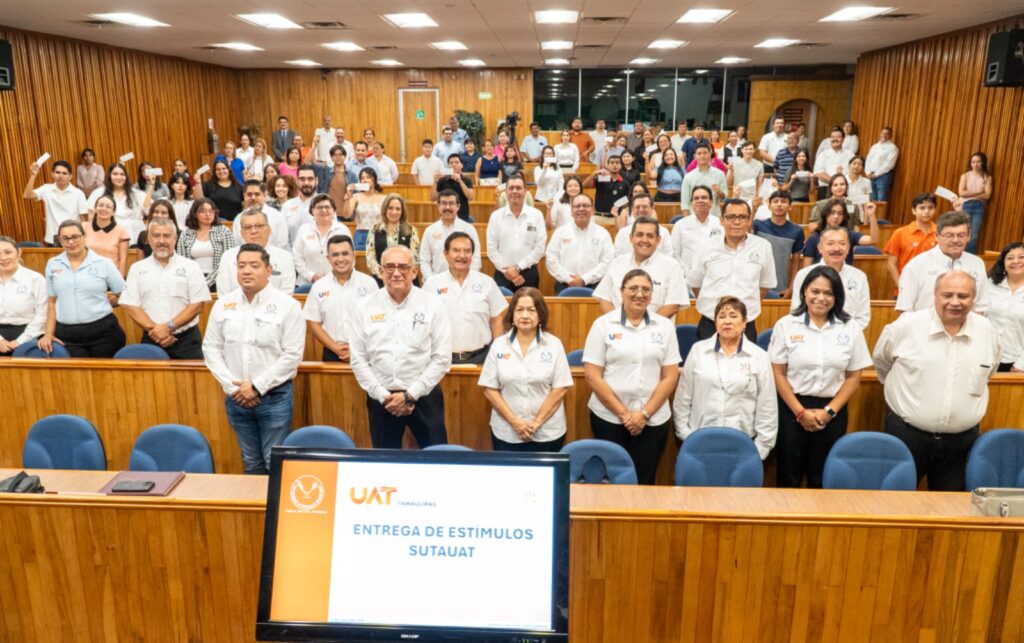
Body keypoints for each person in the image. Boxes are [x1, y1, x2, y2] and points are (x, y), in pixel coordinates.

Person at [873, 270, 1000, 491]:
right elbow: (882, 362)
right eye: (947, 295)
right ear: (935, 295)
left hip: (961, 443)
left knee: (950, 513)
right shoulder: (907, 326)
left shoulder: (987, 331)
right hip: (907, 434)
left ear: (974, 298)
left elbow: (990, 370)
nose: (955, 302)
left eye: (963, 296)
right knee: (895, 505)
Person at [203, 243, 304, 474]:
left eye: (254, 266)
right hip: (236, 397)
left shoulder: (287, 306)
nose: (247, 271)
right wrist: (233, 388)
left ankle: (273, 510)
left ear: (269, 270)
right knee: (251, 463)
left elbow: (292, 356)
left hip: (274, 397)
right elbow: (211, 348)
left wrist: (256, 387)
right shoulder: (223, 305)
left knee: (275, 464)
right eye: (241, 266)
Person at [770, 266, 872, 487]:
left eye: (828, 293)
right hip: (792, 409)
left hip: (832, 411)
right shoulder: (786, 325)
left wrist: (829, 412)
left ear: (837, 297)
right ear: (804, 292)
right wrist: (800, 413)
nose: (821, 298)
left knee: (823, 477)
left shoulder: (850, 327)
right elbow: (778, 373)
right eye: (815, 291)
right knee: (789, 476)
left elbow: (854, 377)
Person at [349, 245, 453, 449]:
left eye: (403, 267)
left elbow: (441, 359)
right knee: (384, 463)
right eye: (390, 267)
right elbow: (358, 359)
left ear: (414, 271)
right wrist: (383, 396)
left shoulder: (433, 305)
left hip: (424, 395)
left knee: (438, 459)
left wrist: (410, 395)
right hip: (381, 398)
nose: (396, 273)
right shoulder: (364, 307)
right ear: (380, 271)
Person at [584, 269, 681, 484]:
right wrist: (625, 414)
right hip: (609, 417)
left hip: (652, 419)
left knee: (644, 480)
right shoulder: (603, 324)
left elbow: (670, 376)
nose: (640, 294)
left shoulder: (664, 326)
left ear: (652, 294)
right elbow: (592, 375)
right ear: (621, 292)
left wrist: (643, 414)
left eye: (646, 289)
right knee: (610, 481)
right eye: (633, 288)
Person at [673, 296, 777, 460]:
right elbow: (682, 398)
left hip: (743, 444)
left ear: (744, 322)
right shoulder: (698, 351)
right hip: (699, 441)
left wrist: (760, 450)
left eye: (733, 316)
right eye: (722, 316)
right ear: (715, 323)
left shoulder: (759, 357)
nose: (727, 321)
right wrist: (686, 436)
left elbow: (767, 406)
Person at [479, 288, 573, 451]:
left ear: (540, 315)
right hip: (507, 433)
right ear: (512, 315)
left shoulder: (554, 344)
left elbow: (560, 389)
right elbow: (490, 389)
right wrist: (515, 423)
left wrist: (536, 424)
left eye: (531, 310)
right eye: (519, 310)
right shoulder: (499, 345)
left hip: (547, 433)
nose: (524, 315)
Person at [120, 218, 211, 359]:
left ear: (175, 238)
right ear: (148, 239)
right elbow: (132, 306)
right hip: (152, 339)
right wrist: (156, 332)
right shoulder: (137, 269)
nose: (161, 241)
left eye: (167, 236)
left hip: (187, 342)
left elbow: (197, 305)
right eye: (156, 236)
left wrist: (168, 327)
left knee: (189, 381)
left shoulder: (191, 267)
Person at [688, 199, 777, 340]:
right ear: (721, 220)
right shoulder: (706, 247)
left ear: (749, 220)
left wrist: (740, 310)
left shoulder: (763, 247)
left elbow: (765, 286)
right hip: (710, 323)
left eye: (742, 217)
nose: (737, 222)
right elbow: (696, 283)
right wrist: (714, 307)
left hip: (746, 325)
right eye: (731, 217)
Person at [37, 220, 126, 357]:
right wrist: (48, 334)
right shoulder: (53, 264)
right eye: (65, 238)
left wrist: (109, 302)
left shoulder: (104, 263)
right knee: (77, 378)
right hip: (68, 335)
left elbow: (123, 294)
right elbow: (51, 302)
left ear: (84, 237)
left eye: (75, 237)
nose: (70, 242)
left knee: (103, 377)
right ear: (60, 241)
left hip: (103, 333)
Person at [424, 232, 507, 365]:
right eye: (456, 250)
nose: (462, 255)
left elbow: (497, 318)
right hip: (441, 359)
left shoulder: (487, 282)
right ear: (445, 254)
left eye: (467, 251)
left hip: (482, 358)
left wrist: (496, 352)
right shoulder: (432, 284)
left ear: (472, 255)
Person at [896, 211, 989, 314]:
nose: (955, 240)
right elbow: (905, 308)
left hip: (967, 328)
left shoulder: (977, 263)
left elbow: (981, 305)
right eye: (949, 235)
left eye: (961, 235)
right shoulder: (916, 265)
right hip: (926, 328)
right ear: (936, 236)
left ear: (969, 236)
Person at [304, 235, 378, 362]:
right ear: (328, 258)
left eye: (345, 253)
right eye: (335, 255)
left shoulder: (369, 284)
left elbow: (377, 320)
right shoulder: (318, 287)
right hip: (331, 353)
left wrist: (356, 350)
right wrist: (335, 348)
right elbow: (313, 323)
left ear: (353, 255)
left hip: (366, 353)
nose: (340, 259)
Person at [596, 215, 687, 317]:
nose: (644, 240)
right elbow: (604, 298)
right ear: (631, 238)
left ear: (658, 240)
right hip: (619, 329)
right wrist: (619, 324)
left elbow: (673, 305)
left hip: (657, 330)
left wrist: (646, 328)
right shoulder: (617, 263)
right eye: (639, 235)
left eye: (650, 236)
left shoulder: (672, 266)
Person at [791, 228, 871, 329]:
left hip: (846, 339)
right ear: (820, 248)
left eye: (842, 243)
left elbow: (863, 317)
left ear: (848, 248)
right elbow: (797, 311)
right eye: (830, 243)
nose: (836, 248)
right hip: (810, 336)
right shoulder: (804, 275)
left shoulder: (859, 277)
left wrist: (845, 336)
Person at [486, 175, 546, 292]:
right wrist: (508, 271)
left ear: (525, 191)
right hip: (502, 273)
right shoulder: (496, 216)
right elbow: (491, 249)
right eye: (511, 188)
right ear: (506, 191)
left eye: (518, 188)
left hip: (528, 274)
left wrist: (518, 268)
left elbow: (539, 248)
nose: (514, 191)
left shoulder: (536, 215)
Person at [546, 193, 615, 292]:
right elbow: (551, 258)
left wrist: (585, 279)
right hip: (564, 285)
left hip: (595, 287)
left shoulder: (603, 234)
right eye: (577, 206)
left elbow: (607, 261)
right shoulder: (560, 232)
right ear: (571, 210)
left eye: (586, 206)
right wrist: (568, 279)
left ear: (592, 210)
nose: (581, 209)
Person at [217, 209, 295, 295]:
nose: (254, 231)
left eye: (259, 226)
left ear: (269, 229)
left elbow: (286, 294)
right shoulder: (228, 257)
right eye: (248, 227)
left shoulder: (285, 257)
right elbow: (224, 295)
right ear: (241, 233)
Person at [418, 190, 482, 280]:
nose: (447, 207)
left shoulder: (469, 230)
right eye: (444, 203)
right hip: (437, 284)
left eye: (451, 203)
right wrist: (431, 280)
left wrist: (468, 281)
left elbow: (476, 260)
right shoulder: (429, 231)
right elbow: (424, 260)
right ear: (438, 206)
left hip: (464, 283)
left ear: (458, 206)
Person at [23, 159, 89, 245]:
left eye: (64, 173)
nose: (60, 175)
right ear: (52, 174)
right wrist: (33, 175)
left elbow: (83, 219)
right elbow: (27, 195)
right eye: (57, 172)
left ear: (70, 176)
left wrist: (84, 239)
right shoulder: (46, 189)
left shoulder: (78, 193)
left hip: (73, 239)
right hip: (52, 238)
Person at [292, 194, 352, 286]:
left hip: (336, 283)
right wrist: (311, 276)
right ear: (312, 210)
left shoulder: (342, 230)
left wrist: (335, 277)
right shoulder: (304, 230)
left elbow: (350, 256)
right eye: (319, 207)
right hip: (306, 283)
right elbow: (297, 256)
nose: (324, 210)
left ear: (334, 210)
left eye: (327, 207)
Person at [884, 193, 938, 295]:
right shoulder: (900, 233)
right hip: (907, 288)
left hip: (934, 290)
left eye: (930, 207)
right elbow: (891, 264)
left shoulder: (941, 233)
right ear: (913, 210)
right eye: (922, 208)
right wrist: (901, 285)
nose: (926, 211)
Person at [0, 236, 47, 355]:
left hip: (29, 334)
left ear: (19, 252)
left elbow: (43, 313)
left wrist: (20, 341)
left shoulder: (36, 279)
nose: (3, 258)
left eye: (8, 252)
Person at [753, 190, 804, 298]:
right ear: (769, 206)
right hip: (755, 285)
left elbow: (795, 262)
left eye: (783, 201)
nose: (779, 204)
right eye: (775, 201)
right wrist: (753, 210)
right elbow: (745, 236)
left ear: (790, 206)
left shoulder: (797, 231)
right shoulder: (758, 225)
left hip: (780, 288)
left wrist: (791, 288)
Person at [176, 198, 236, 289]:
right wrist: (194, 280)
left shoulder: (224, 231)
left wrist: (207, 282)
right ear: (195, 214)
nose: (208, 214)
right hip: (192, 280)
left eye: (211, 211)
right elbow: (182, 261)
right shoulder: (186, 233)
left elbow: (229, 259)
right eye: (203, 211)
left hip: (219, 279)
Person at [802, 199, 880, 266]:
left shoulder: (850, 235)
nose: (836, 216)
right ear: (825, 214)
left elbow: (874, 239)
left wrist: (871, 215)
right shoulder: (813, 238)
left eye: (840, 213)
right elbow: (807, 268)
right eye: (832, 212)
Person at [365, 194, 420, 285]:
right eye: (390, 208)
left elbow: (414, 259)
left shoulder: (411, 230)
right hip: (381, 281)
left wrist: (401, 275)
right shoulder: (374, 230)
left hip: (406, 281)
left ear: (402, 212)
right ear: (385, 209)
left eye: (398, 209)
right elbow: (370, 259)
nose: (394, 212)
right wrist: (385, 275)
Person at [987, 242, 1024, 372]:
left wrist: (1021, 365)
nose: (1016, 261)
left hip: (1016, 363)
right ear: (1003, 263)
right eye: (1010, 258)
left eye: (1021, 257)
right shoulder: (989, 284)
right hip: (985, 356)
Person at [671, 185, 723, 271]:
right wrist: (684, 272)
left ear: (711, 202)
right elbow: (674, 254)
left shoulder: (720, 224)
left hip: (714, 274)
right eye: (696, 198)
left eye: (704, 197)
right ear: (691, 203)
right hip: (687, 276)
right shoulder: (680, 225)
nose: (700, 200)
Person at [231, 180, 290, 250]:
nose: (253, 198)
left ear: (264, 195)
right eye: (249, 194)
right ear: (244, 196)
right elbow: (237, 244)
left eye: (257, 194)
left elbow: (282, 244)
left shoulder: (277, 217)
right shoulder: (238, 219)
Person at [612, 192, 673, 257]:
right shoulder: (623, 233)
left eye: (645, 207)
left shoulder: (663, 232)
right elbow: (616, 258)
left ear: (652, 208)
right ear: (632, 209)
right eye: (637, 207)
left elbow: (669, 257)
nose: (641, 210)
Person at [83, 194, 130, 276]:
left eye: (108, 207)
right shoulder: (83, 227)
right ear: (95, 209)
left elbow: (123, 260)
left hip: (109, 276)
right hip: (85, 274)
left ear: (113, 212)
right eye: (101, 205)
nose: (104, 209)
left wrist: (120, 284)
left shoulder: (121, 231)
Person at [956, 152, 993, 255]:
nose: (975, 164)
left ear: (983, 163)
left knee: (974, 235)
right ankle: (958, 255)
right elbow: (961, 193)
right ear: (970, 163)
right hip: (965, 206)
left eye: (978, 162)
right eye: (973, 162)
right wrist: (980, 192)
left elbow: (987, 195)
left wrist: (970, 194)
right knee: (963, 232)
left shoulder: (987, 177)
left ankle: (969, 259)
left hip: (979, 207)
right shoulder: (965, 176)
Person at [680, 143, 727, 217]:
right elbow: (685, 203)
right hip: (694, 217)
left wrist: (719, 192)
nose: (702, 156)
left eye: (705, 153)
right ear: (695, 156)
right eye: (699, 153)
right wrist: (687, 220)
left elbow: (724, 198)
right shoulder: (688, 176)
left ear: (710, 154)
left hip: (714, 216)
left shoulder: (720, 174)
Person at [313, 145, 356, 212]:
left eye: (340, 154)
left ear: (345, 157)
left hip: (346, 213)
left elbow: (356, 195)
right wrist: (314, 146)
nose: (338, 157)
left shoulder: (352, 175)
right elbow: (307, 163)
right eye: (335, 155)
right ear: (331, 157)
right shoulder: (325, 171)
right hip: (328, 212)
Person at [341, 167, 385, 232]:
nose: (365, 180)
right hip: (361, 235)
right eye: (362, 178)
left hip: (378, 234)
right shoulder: (355, 197)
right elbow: (346, 215)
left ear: (374, 180)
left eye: (368, 177)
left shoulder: (384, 198)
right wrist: (348, 197)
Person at [813, 130, 854, 199]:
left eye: (838, 137)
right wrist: (835, 181)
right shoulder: (823, 154)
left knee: (846, 209)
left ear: (843, 139)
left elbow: (854, 172)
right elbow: (818, 172)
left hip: (845, 191)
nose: (835, 139)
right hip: (826, 189)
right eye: (833, 137)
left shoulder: (850, 154)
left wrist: (841, 183)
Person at [864, 126, 899, 202]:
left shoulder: (893, 148)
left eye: (887, 134)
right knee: (872, 200)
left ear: (890, 136)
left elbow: (890, 165)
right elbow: (868, 159)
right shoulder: (875, 146)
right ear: (880, 134)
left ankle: (880, 214)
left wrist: (876, 174)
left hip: (883, 177)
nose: (884, 135)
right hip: (871, 176)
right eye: (883, 133)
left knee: (881, 201)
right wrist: (867, 172)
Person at [727, 140, 763, 205]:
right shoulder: (734, 163)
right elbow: (728, 183)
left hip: (752, 199)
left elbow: (760, 185)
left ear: (754, 150)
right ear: (742, 150)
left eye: (750, 149)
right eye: (746, 149)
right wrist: (730, 171)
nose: (748, 151)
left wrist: (758, 197)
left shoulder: (759, 165)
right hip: (737, 197)